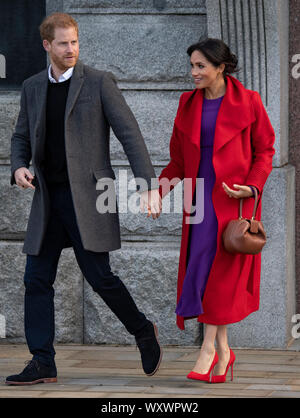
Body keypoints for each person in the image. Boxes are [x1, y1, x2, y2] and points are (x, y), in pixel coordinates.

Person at [6, 12, 162, 386]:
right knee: (36, 279)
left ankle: (142, 330)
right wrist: (17, 167)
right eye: (63, 43)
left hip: (89, 199)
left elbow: (131, 134)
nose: (71, 49)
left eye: (74, 41)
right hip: (48, 200)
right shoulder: (31, 86)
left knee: (100, 277)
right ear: (47, 46)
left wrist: (148, 185)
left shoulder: (99, 83)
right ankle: (42, 361)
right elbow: (20, 137)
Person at [158, 38, 275, 383]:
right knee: (204, 269)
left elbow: (265, 150)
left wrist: (251, 186)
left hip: (232, 200)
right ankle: (224, 351)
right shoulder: (186, 103)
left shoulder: (249, 102)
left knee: (218, 272)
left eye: (200, 66)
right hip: (198, 201)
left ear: (220, 68)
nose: (193, 72)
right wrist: (159, 191)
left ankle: (208, 348)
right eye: (191, 66)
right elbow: (178, 159)